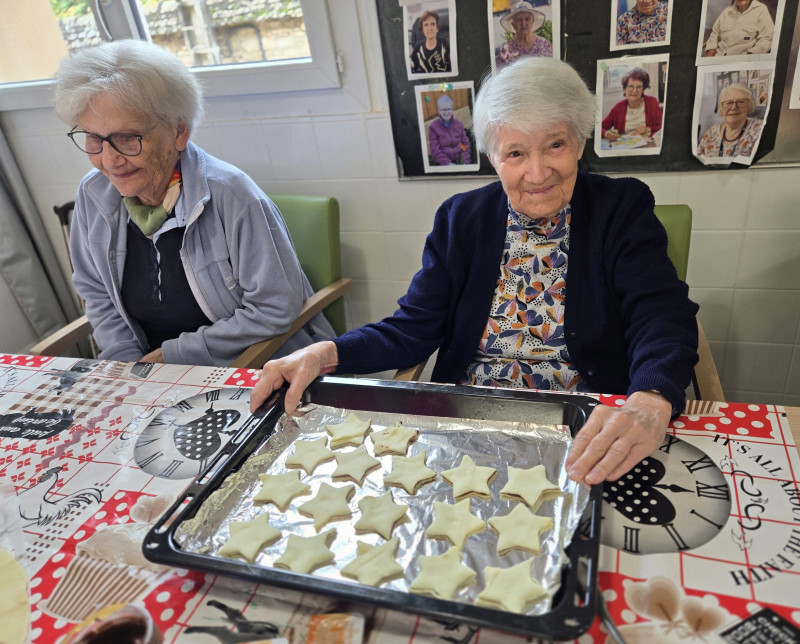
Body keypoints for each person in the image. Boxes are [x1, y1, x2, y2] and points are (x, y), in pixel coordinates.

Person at [250, 57, 699, 486]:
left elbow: (660, 315)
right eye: (516, 153)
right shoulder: (461, 219)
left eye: (556, 145)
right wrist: (324, 353)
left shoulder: (621, 209)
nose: (538, 172)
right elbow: (412, 328)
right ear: (492, 157)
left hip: (584, 425)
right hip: (465, 420)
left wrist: (652, 398)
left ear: (580, 142)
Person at [53, 40, 334, 367]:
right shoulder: (94, 195)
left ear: (179, 131)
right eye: (93, 139)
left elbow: (273, 309)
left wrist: (172, 356)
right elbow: (99, 296)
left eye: (127, 137)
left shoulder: (233, 196)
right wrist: (129, 371)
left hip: (256, 367)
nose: (109, 159)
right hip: (154, 375)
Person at [697, 83, 763, 158]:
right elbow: (697, 160)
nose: (734, 107)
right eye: (728, 102)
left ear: (749, 105)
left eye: (740, 102)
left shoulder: (760, 130)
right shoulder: (711, 132)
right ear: (722, 107)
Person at [601, 68, 663, 141]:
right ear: (624, 89)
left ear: (643, 89)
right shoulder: (618, 108)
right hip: (624, 146)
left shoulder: (652, 102)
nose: (634, 90)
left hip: (646, 144)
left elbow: (662, 126)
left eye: (639, 87)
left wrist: (647, 129)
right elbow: (600, 127)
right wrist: (607, 134)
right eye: (631, 86)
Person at [496, 1, 553, 70]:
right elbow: (499, 73)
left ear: (533, 21)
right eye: (519, 20)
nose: (523, 23)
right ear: (513, 24)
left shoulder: (544, 45)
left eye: (527, 19)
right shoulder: (506, 48)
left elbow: (550, 71)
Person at [704, 0, 774, 56]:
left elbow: (768, 38)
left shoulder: (761, 10)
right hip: (719, 56)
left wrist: (752, 55)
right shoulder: (727, 12)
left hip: (742, 60)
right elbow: (715, 33)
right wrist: (711, 48)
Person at [428, 95, 471, 165]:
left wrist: (465, 161)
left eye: (448, 109)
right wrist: (447, 164)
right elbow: (435, 150)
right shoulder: (433, 127)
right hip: (443, 162)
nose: (446, 112)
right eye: (443, 110)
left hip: (459, 159)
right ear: (439, 111)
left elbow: (465, 144)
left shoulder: (459, 124)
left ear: (452, 109)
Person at [410, 10, 451, 74]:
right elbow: (413, 70)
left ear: (437, 28)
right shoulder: (418, 47)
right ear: (422, 29)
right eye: (426, 25)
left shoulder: (445, 44)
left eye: (432, 24)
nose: (429, 28)